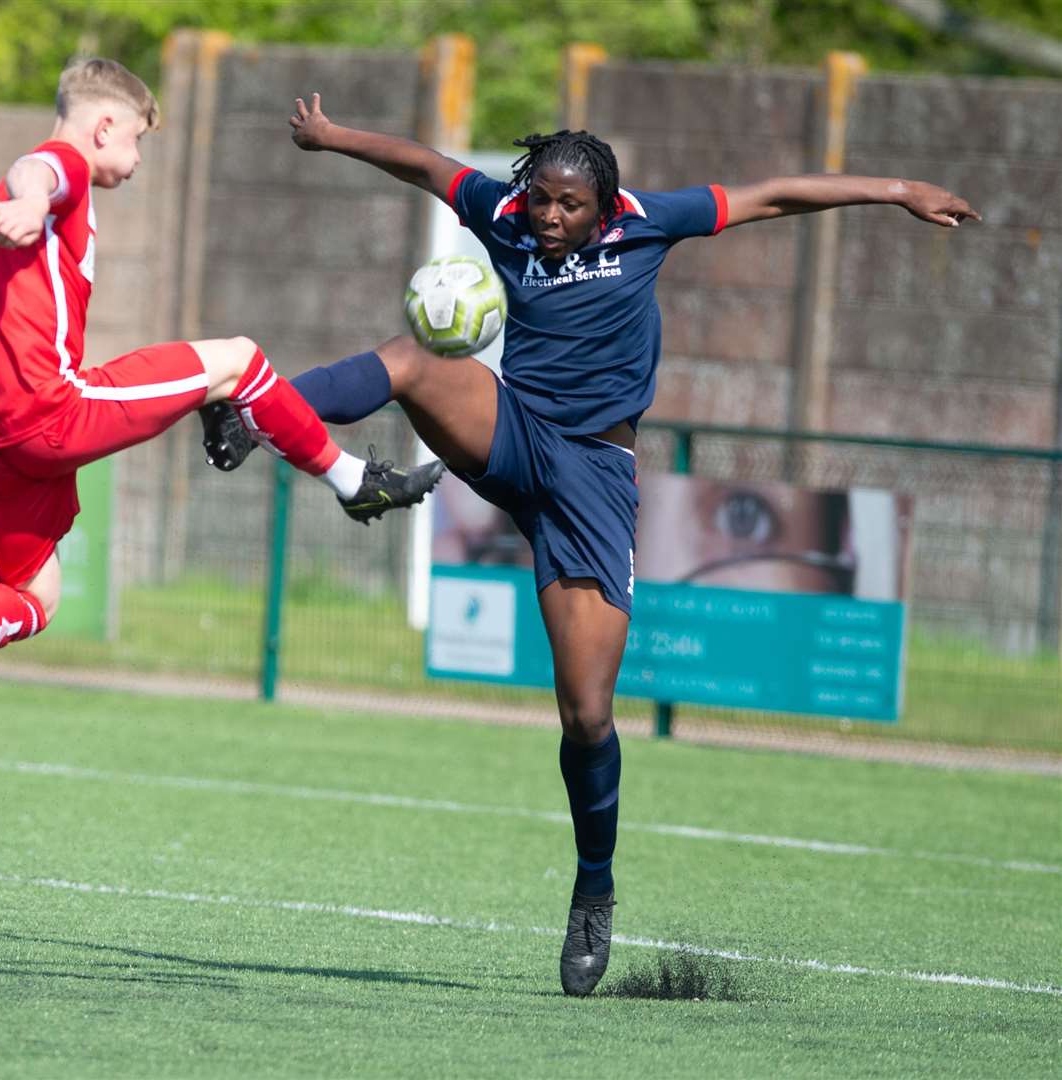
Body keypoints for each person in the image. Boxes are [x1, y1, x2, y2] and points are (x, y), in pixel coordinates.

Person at [201, 92, 980, 997]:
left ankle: (594, 888)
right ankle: (260, 413)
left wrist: (896, 189)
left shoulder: (650, 223)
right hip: (517, 430)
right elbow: (423, 163)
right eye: (541, 201)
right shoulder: (503, 215)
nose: (550, 217)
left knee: (586, 716)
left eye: (568, 205)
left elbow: (775, 195)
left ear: (604, 205)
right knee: (413, 359)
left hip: (594, 481)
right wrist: (332, 137)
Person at [0, 61, 443, 743]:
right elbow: (42, 168)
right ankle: (353, 481)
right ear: (104, 126)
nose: (138, 158)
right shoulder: (58, 173)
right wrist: (32, 202)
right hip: (53, 414)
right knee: (238, 358)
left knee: (36, 596)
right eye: (138, 140)